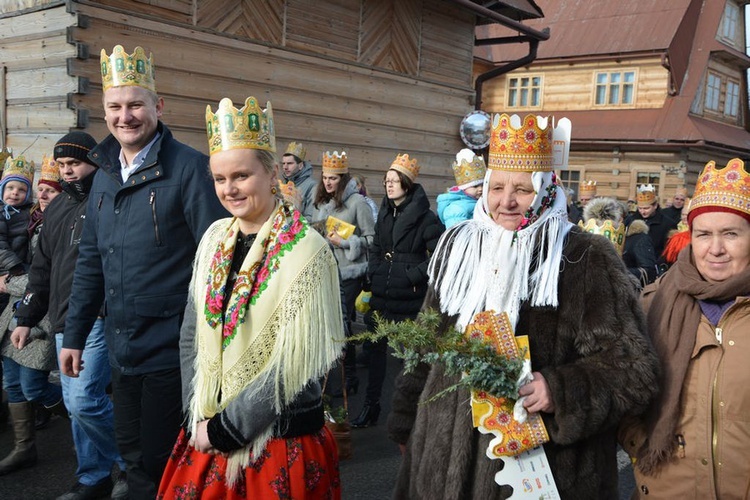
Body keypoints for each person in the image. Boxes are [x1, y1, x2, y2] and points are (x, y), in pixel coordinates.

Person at [387, 114, 659, 499]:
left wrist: (559, 390)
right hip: (443, 466)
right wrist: (405, 422)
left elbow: (635, 370)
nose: (506, 201)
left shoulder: (584, 258)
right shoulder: (460, 249)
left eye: (522, 189)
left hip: (544, 473)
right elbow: (425, 345)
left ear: (547, 189)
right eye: (496, 187)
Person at [58, 45, 227, 498]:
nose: (125, 116)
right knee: (132, 454)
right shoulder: (104, 173)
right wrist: (74, 335)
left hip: (171, 349)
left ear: (158, 106)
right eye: (115, 106)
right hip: (120, 346)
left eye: (135, 104)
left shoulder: (190, 170)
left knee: (160, 459)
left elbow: (215, 265)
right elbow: (90, 260)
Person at [158, 96, 342, 499]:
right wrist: (199, 415)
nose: (230, 189)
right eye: (220, 178)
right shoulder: (212, 240)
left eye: (241, 175)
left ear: (273, 172)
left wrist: (229, 428)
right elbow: (191, 332)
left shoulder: (307, 250)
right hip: (209, 428)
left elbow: (293, 365)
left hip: (277, 439)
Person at [620, 157, 750, 498]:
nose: (716, 249)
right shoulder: (652, 304)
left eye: (731, 234)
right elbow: (622, 389)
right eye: (704, 234)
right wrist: (639, 442)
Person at [13, 132, 128, 499]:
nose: (68, 172)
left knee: (82, 400)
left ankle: (133, 461)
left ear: (94, 161)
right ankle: (93, 476)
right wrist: (27, 316)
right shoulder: (59, 206)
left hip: (96, 313)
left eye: (75, 164)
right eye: (62, 165)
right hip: (63, 317)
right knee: (78, 405)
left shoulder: (108, 197)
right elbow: (42, 266)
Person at [353, 153, 444, 428]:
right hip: (383, 294)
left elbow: (441, 252)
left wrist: (412, 275)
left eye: (394, 180)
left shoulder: (426, 217)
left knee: (411, 359)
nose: (389, 185)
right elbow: (377, 247)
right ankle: (371, 408)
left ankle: (411, 415)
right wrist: (376, 271)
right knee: (376, 355)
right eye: (387, 180)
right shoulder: (384, 213)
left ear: (406, 183)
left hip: (410, 296)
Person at [0, 154, 65, 476]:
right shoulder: (28, 221)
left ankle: (93, 419)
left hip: (42, 316)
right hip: (15, 317)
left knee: (34, 386)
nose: (42, 195)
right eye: (41, 190)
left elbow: (48, 279)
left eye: (50, 191)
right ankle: (24, 448)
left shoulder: (60, 226)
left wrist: (7, 283)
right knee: (13, 383)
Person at [311, 151, 375, 395]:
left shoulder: (358, 203)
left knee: (342, 325)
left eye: (334, 178)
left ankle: (349, 378)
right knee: (327, 325)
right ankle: (328, 380)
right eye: (325, 177)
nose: (328, 182)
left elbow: (371, 239)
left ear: (343, 178)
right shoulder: (321, 203)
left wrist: (346, 242)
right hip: (325, 271)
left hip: (350, 272)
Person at [436, 148, 486, 228]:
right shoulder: (457, 208)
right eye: (475, 186)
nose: (481, 189)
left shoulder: (481, 202)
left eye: (482, 185)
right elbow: (457, 234)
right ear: (464, 188)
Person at [628, 184, 678, 258]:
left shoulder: (668, 224)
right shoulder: (630, 221)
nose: (643, 212)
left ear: (655, 206)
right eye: (640, 208)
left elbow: (669, 249)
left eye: (646, 208)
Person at [280, 141, 316, 220]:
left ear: (300, 165)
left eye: (289, 163)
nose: (285, 167)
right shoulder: (283, 183)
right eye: (283, 163)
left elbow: (311, 217)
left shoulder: (312, 186)